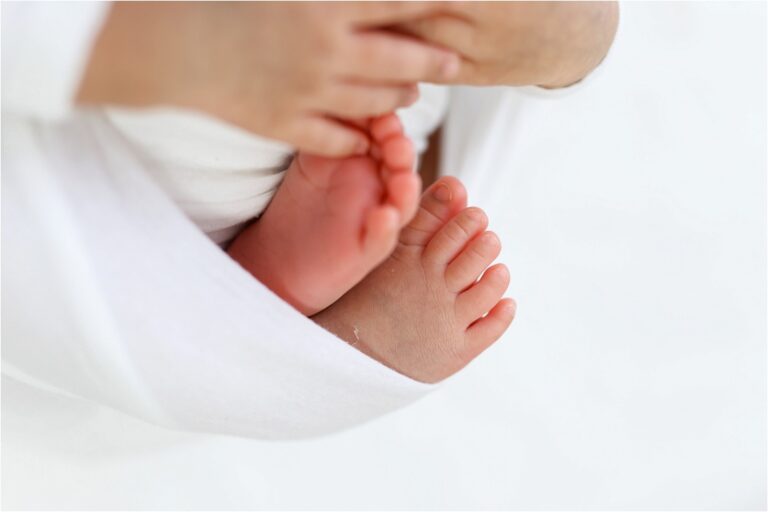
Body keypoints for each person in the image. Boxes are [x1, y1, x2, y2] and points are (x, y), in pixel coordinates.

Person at [3, 2, 618, 437]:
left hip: (381, 71)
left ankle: (271, 290)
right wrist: (188, 45)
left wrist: (567, 37)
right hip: (145, 73)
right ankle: (267, 299)